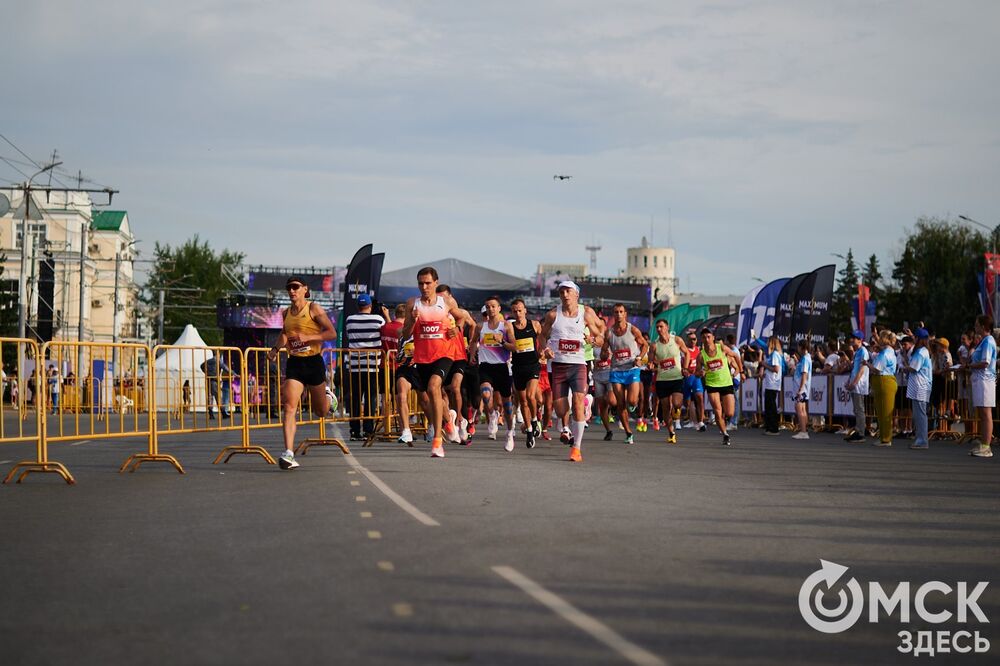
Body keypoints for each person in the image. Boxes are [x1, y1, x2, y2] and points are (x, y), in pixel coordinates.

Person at [399, 266, 473, 458]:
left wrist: (457, 329)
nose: (424, 287)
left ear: (436, 283)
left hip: (444, 354)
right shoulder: (412, 304)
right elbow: (406, 334)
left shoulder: (445, 301)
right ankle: (449, 421)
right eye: (421, 283)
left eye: (428, 283)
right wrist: (413, 321)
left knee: (434, 387)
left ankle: (437, 443)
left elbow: (462, 317)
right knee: (433, 397)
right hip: (423, 356)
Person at [268, 276, 338, 470]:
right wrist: (275, 350)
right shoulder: (286, 313)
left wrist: (310, 337)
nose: (292, 291)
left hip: (314, 362)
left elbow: (331, 332)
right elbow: (285, 333)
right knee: (289, 406)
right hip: (295, 364)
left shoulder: (313, 308)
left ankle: (328, 399)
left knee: (321, 412)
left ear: (304, 289)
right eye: (289, 287)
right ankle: (289, 453)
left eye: (295, 287)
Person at [538, 281, 606, 462]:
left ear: (576, 294)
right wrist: (545, 350)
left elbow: (601, 335)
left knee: (576, 402)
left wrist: (594, 340)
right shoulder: (553, 314)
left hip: (578, 364)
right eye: (561, 292)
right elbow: (542, 336)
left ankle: (576, 448)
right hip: (558, 365)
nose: (565, 295)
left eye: (568, 291)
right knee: (560, 409)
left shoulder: (586, 313)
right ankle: (566, 424)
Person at [470, 296, 517, 452]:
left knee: (507, 405)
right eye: (487, 306)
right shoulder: (479, 326)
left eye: (493, 306)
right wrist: (472, 354)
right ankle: (492, 414)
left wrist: (502, 341)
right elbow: (473, 342)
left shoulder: (506, 326)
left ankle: (510, 432)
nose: (490, 309)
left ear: (499, 309)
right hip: (485, 367)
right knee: (485, 394)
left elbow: (514, 347)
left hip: (502, 367)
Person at [344, 293, 388, 441]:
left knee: (355, 399)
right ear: (370, 306)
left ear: (358, 306)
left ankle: (354, 431)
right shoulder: (378, 319)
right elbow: (387, 330)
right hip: (372, 366)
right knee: (371, 399)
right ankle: (368, 431)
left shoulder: (350, 320)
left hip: (355, 366)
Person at [604, 303, 649, 446]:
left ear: (625, 314)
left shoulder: (632, 329)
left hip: (632, 369)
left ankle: (633, 406)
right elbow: (605, 352)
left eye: (621, 312)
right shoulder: (609, 333)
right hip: (616, 371)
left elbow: (645, 345)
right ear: (613, 314)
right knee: (620, 404)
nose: (618, 314)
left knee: (632, 401)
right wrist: (604, 353)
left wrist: (639, 358)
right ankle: (628, 433)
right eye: (616, 312)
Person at [504, 298, 542, 448]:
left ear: (525, 310)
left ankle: (534, 419)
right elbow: (510, 344)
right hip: (518, 367)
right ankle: (530, 430)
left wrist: (544, 351)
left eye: (520, 310)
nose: (518, 313)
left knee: (531, 396)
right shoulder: (511, 327)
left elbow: (544, 338)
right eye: (515, 311)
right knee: (523, 401)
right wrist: (503, 343)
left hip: (533, 365)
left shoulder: (535, 324)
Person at [695, 328, 742, 446]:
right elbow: (696, 372)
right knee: (717, 410)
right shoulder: (701, 355)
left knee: (730, 413)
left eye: (708, 337)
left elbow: (736, 355)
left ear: (713, 338)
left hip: (726, 383)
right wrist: (700, 373)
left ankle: (725, 420)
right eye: (704, 337)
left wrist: (740, 370)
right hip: (712, 384)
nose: (707, 339)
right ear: (701, 339)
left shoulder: (721, 348)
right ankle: (725, 434)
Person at [648, 319, 689, 444]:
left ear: (667, 327)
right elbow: (650, 361)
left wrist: (685, 368)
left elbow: (687, 353)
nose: (659, 329)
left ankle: (676, 412)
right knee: (666, 408)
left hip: (677, 378)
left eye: (661, 327)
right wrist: (650, 365)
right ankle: (671, 432)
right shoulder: (654, 346)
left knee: (676, 404)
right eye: (657, 327)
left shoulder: (676, 340)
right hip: (662, 380)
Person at [966, 314, 996, 458]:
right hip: (980, 380)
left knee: (986, 413)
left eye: (977, 324)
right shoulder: (983, 341)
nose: (975, 326)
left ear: (983, 327)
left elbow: (985, 362)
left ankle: (986, 446)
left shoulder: (988, 341)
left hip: (986, 380)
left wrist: (970, 365)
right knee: (983, 414)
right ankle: (984, 444)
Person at [903, 328, 933, 450]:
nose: (913, 339)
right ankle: (920, 438)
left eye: (915, 337)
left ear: (919, 339)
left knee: (920, 414)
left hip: (921, 386)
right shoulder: (922, 350)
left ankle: (922, 440)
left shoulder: (921, 352)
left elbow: (914, 367)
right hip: (918, 385)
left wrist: (905, 367)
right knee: (918, 414)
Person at [867, 330, 898, 447]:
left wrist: (866, 364)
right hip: (883, 381)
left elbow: (877, 369)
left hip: (884, 381)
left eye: (880, 337)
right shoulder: (888, 352)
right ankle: (883, 437)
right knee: (881, 411)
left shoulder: (885, 353)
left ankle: (886, 438)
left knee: (885, 412)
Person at [844, 330, 870, 443]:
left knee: (859, 409)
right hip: (855, 383)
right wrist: (849, 380)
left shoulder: (864, 351)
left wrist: (854, 383)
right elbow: (854, 368)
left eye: (854, 338)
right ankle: (858, 430)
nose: (852, 340)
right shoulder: (857, 352)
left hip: (860, 384)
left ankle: (861, 433)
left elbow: (862, 369)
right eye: (852, 337)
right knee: (856, 409)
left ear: (860, 340)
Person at [682, 332, 705, 431]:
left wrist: (703, 370)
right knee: (687, 402)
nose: (693, 341)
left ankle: (701, 422)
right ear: (687, 340)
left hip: (696, 378)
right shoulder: (684, 351)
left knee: (699, 397)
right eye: (691, 339)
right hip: (687, 378)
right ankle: (691, 420)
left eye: (694, 339)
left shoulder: (699, 350)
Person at [760, 337, 783, 435]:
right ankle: (769, 427)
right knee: (768, 406)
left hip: (773, 384)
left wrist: (764, 365)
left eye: (768, 342)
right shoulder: (772, 354)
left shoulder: (775, 354)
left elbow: (776, 369)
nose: (767, 344)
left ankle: (774, 428)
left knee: (771, 406)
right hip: (770, 383)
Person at [791, 341, 812, 440]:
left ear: (801, 347)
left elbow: (804, 374)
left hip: (801, 388)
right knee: (802, 409)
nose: (797, 349)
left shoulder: (805, 359)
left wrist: (800, 388)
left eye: (798, 347)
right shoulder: (804, 359)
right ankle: (804, 429)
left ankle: (803, 431)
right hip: (801, 387)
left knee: (799, 409)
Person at [200, 355, 233, 420]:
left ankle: (211, 413)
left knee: (210, 397)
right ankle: (223, 413)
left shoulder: (208, 361)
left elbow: (202, 366)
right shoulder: (218, 361)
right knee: (218, 397)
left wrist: (206, 372)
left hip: (209, 380)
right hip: (215, 380)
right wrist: (234, 374)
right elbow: (226, 369)